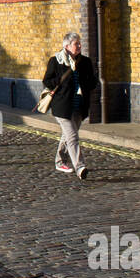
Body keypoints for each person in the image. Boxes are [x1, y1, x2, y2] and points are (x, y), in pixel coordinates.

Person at [42, 31, 97, 180]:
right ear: (66, 46)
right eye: (76, 43)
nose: (79, 46)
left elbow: (93, 81)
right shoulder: (56, 61)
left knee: (67, 135)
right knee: (73, 137)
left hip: (79, 106)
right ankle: (80, 167)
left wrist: (87, 83)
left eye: (80, 43)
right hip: (62, 106)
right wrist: (60, 81)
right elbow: (47, 80)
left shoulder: (85, 62)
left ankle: (60, 161)